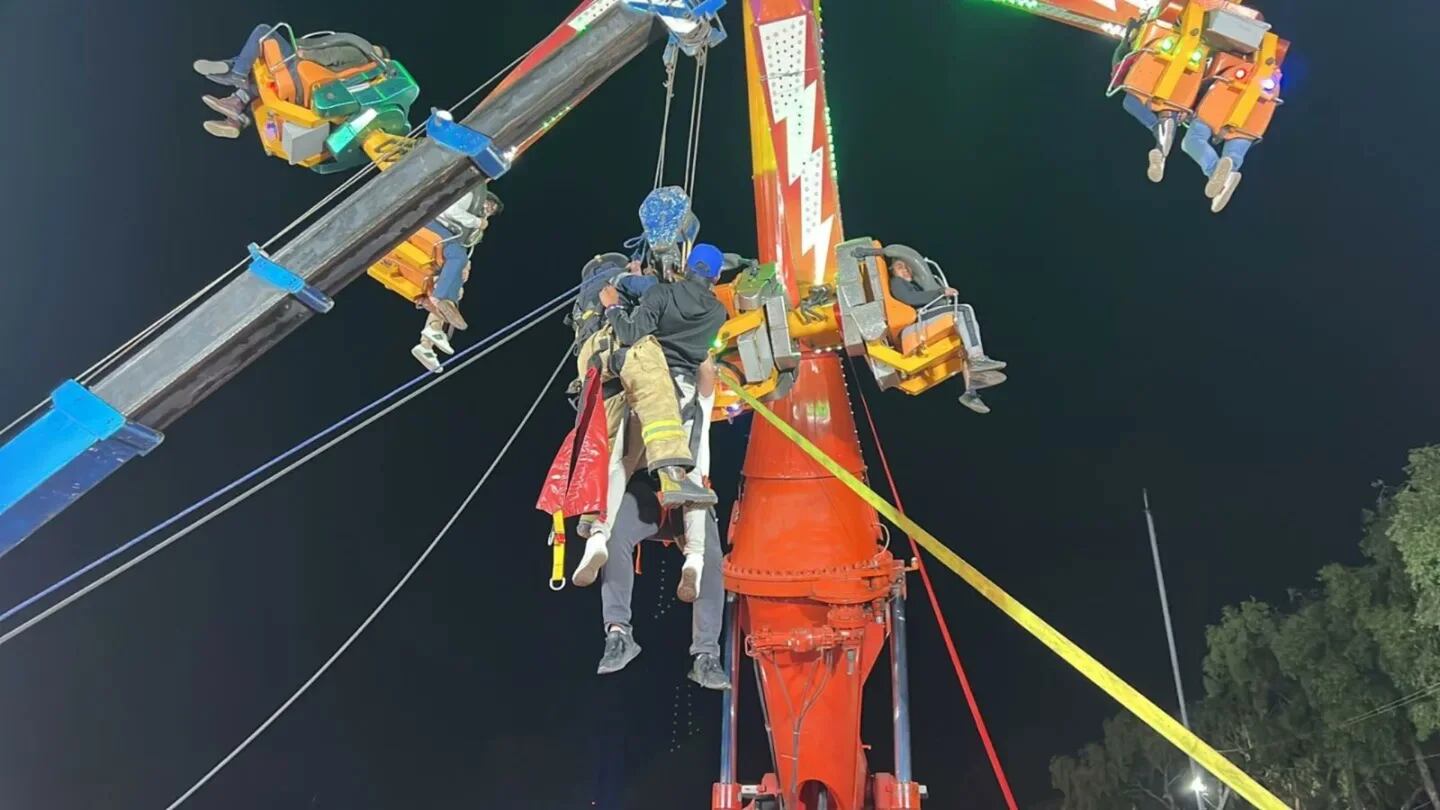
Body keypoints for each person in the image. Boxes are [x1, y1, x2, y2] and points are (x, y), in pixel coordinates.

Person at [571, 245, 729, 598]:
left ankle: (597, 537)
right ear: (716, 277)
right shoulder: (718, 313)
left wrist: (613, 303)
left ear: (687, 267)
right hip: (686, 394)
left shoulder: (662, 293)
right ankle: (694, 562)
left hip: (647, 384)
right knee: (692, 476)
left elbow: (629, 332)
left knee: (620, 465)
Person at [592, 460, 730, 691]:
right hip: (646, 486)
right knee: (613, 537)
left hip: (689, 487)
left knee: (709, 557)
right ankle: (618, 633)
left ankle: (706, 656)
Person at [193, 27, 389, 138]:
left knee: (263, 32)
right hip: (304, 88)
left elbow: (331, 55)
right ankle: (236, 114)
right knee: (260, 72)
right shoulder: (359, 76)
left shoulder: (360, 52)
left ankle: (234, 71)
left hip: (299, 72)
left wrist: (306, 53)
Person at [874, 248, 1005, 414]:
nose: (905, 270)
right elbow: (910, 299)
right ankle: (978, 357)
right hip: (915, 324)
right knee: (963, 310)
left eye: (907, 268)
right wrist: (940, 292)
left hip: (924, 319)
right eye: (900, 267)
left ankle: (970, 392)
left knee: (962, 344)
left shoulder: (913, 284)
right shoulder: (897, 283)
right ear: (893, 270)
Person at [408, 188, 502, 372]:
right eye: (489, 205)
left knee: (458, 289)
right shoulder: (468, 196)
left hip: (444, 244)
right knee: (457, 262)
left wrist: (465, 267)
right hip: (433, 226)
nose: (489, 211)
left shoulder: (472, 229)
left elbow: (465, 246)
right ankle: (439, 297)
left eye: (492, 211)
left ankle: (427, 343)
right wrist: (477, 222)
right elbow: (451, 212)